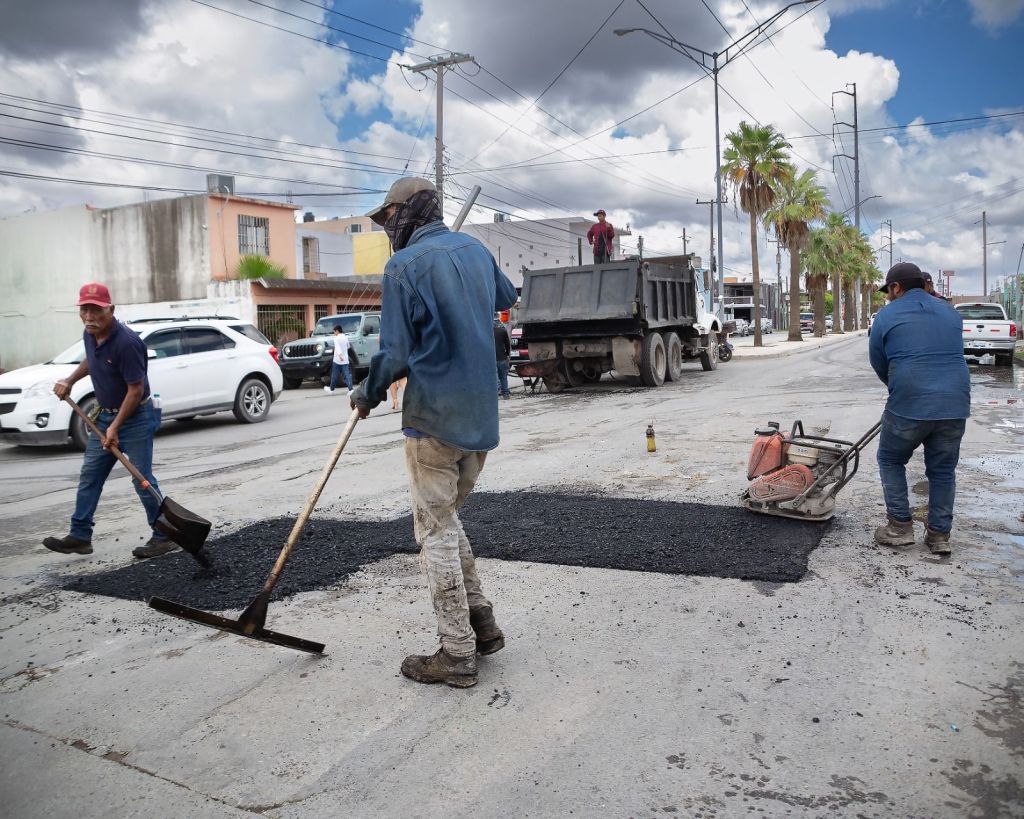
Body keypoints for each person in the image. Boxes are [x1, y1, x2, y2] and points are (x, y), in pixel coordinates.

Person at [352, 176, 518, 688]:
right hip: (480, 418)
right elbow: (506, 295)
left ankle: (456, 652)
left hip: (433, 418)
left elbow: (396, 353)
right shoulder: (474, 249)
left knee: (432, 530)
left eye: (389, 219)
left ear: (408, 214)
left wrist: (367, 391)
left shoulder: (402, 268)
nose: (387, 230)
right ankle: (482, 624)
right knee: (447, 520)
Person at [43, 283, 176, 559]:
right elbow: (92, 361)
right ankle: (80, 536)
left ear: (111, 310)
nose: (90, 316)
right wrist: (69, 380)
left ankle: (164, 536)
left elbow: (135, 389)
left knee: (142, 479)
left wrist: (115, 427)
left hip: (136, 417)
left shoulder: (127, 343)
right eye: (85, 309)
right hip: (104, 416)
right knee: (90, 476)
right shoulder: (91, 334)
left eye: (96, 310)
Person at [868, 262, 970, 556]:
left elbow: (878, 359)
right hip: (955, 403)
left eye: (888, 290)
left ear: (897, 287)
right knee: (942, 470)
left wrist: (899, 386)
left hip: (909, 402)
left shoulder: (887, 314)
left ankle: (899, 527)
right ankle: (939, 535)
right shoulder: (950, 312)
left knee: (889, 458)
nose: (888, 296)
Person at [324, 325, 353, 395]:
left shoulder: (336, 338)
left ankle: (331, 390)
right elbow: (348, 346)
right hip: (345, 359)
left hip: (337, 360)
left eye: (334, 332)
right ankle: (351, 389)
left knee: (334, 375)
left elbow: (337, 347)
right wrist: (343, 353)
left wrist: (340, 355)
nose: (334, 333)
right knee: (346, 374)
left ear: (337, 331)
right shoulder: (345, 337)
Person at [494, 316, 512, 399]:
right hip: (502, 357)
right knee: (503, 377)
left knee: (495, 376)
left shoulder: (488, 332)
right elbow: (508, 344)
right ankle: (506, 394)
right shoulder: (503, 331)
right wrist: (508, 354)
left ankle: (497, 392)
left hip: (493, 358)